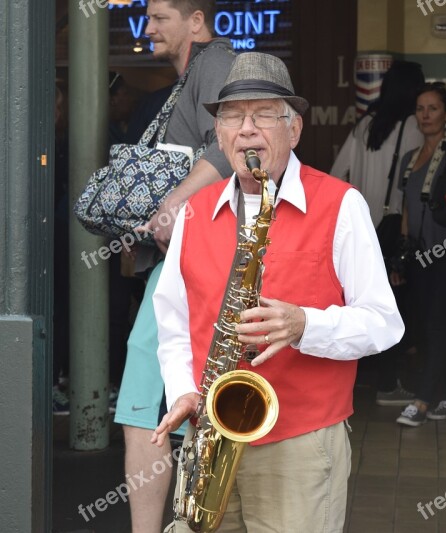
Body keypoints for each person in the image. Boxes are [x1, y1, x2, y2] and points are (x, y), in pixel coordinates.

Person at [152, 52, 404, 532]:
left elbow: (383, 322)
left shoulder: (341, 204)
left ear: (294, 130)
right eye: (231, 116)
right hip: (212, 439)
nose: (246, 129)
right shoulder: (193, 212)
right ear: (219, 135)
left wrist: (305, 324)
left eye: (264, 114)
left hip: (300, 446)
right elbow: (173, 324)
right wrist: (183, 390)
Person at [110, 1, 235, 531]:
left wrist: (171, 203)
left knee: (159, 396)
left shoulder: (220, 62)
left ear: (197, 21)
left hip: (209, 255)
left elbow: (227, 144)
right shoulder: (187, 79)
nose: (149, 26)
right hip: (184, 257)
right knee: (157, 393)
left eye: (161, 16)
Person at [330, 61, 425, 407]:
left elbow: (338, 172)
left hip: (362, 224)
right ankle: (389, 381)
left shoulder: (366, 125)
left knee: (361, 299)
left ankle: (364, 376)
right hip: (396, 225)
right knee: (398, 303)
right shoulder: (414, 126)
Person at [391, 83, 446, 427]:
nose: (425, 115)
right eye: (420, 109)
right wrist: (402, 251)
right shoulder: (410, 159)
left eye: (433, 109)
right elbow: (408, 208)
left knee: (440, 324)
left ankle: (424, 399)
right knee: (431, 325)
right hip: (420, 254)